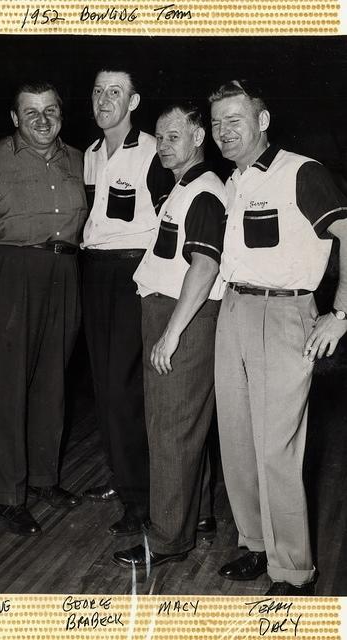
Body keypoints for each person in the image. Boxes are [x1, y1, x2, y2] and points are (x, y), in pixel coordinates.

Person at [209, 79, 347, 595]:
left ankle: (292, 571)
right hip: (235, 312)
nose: (224, 131)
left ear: (262, 122)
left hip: (285, 316)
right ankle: (254, 545)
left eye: (235, 120)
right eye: (217, 122)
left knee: (276, 450)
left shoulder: (301, 172)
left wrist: (341, 313)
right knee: (238, 444)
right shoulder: (231, 182)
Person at [112, 103, 226, 569]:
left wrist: (171, 334)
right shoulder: (186, 187)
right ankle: (195, 518)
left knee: (170, 431)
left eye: (174, 136)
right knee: (186, 427)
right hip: (173, 312)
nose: (162, 145)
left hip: (182, 317)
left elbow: (205, 266)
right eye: (159, 137)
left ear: (199, 137)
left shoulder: (203, 192)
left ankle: (165, 540)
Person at [0, 82, 87, 536]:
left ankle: (44, 480)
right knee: (7, 387)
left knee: (53, 382)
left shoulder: (80, 160)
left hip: (65, 272)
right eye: (31, 112)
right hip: (10, 272)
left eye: (50, 110)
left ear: (61, 114)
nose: (42, 119)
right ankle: (7, 494)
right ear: (15, 118)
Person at [80, 68, 174, 536]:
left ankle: (143, 498)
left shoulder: (155, 151)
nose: (104, 99)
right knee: (104, 385)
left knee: (125, 389)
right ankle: (124, 478)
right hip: (94, 271)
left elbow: (169, 221)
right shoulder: (92, 154)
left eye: (115, 92)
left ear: (133, 102)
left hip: (132, 273)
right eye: (98, 91)